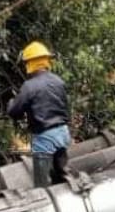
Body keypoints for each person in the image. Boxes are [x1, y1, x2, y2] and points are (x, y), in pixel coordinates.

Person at [7, 41, 71, 185]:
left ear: (30, 64)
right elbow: (66, 107)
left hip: (45, 137)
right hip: (63, 133)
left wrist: (11, 102)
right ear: (46, 61)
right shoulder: (58, 81)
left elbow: (14, 112)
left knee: (43, 185)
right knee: (62, 177)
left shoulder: (29, 86)